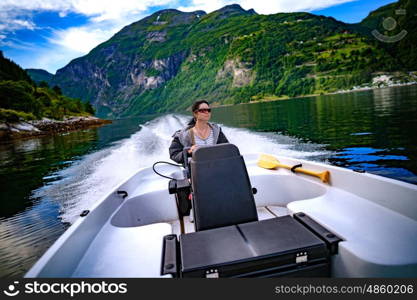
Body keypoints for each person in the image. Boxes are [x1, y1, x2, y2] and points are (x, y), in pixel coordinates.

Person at [169, 100, 229, 164]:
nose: (207, 112)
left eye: (208, 110)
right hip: (197, 170)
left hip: (217, 167)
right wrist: (188, 152)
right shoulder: (183, 135)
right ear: (195, 113)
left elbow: (227, 149)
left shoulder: (217, 131)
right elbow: (174, 154)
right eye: (203, 110)